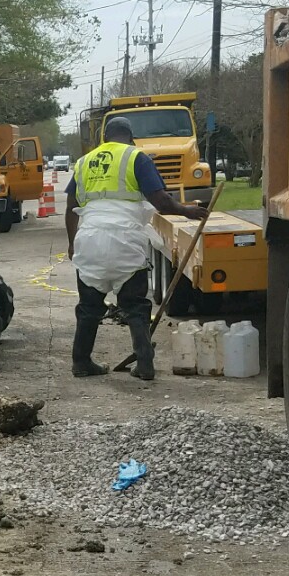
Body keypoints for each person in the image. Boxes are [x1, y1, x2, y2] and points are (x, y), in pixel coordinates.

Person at [66, 116, 208, 380]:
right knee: (135, 305)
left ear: (105, 137)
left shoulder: (84, 162)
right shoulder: (136, 157)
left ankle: (81, 362)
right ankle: (144, 364)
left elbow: (70, 207)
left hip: (89, 238)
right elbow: (160, 200)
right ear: (130, 137)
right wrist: (187, 211)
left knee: (88, 306)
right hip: (125, 238)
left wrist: (72, 244)